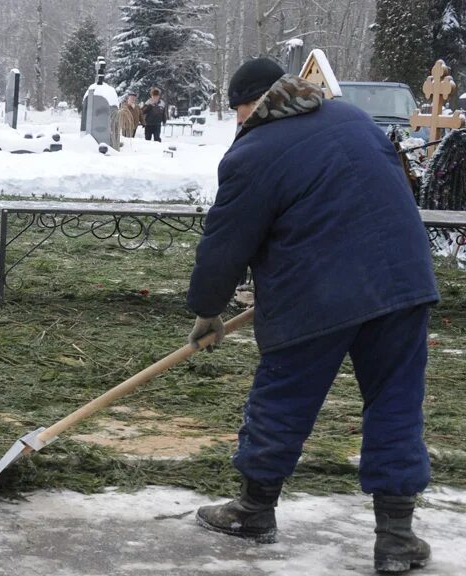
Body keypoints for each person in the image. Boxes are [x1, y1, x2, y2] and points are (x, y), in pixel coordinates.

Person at [186, 57, 438, 574]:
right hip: (403, 282)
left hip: (316, 294)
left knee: (283, 398)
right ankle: (396, 538)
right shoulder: (352, 119)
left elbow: (225, 243)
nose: (236, 121)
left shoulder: (252, 153)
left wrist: (207, 309)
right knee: (395, 404)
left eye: (238, 110)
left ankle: (255, 510)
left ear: (256, 103)